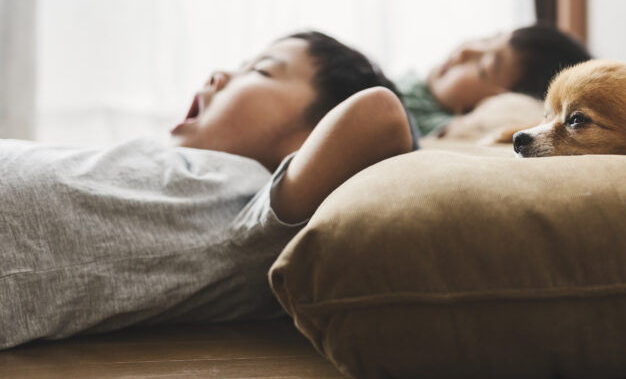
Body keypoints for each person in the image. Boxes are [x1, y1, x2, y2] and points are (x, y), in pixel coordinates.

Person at [0, 30, 413, 350]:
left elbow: (379, 114)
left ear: (311, 140)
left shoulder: (252, 205)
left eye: (262, 70)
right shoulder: (196, 171)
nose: (219, 74)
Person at [398, 23, 592, 138]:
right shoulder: (409, 83)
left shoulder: (439, 127)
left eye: (484, 68)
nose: (466, 51)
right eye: (485, 40)